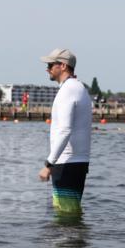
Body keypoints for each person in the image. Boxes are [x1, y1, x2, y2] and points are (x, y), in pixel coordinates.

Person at [37, 48, 92, 215]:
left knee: (66, 216)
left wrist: (48, 164)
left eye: (50, 64)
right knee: (67, 215)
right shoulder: (78, 87)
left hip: (67, 163)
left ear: (62, 66)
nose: (47, 68)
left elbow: (65, 130)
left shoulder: (68, 90)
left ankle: (71, 242)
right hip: (74, 162)